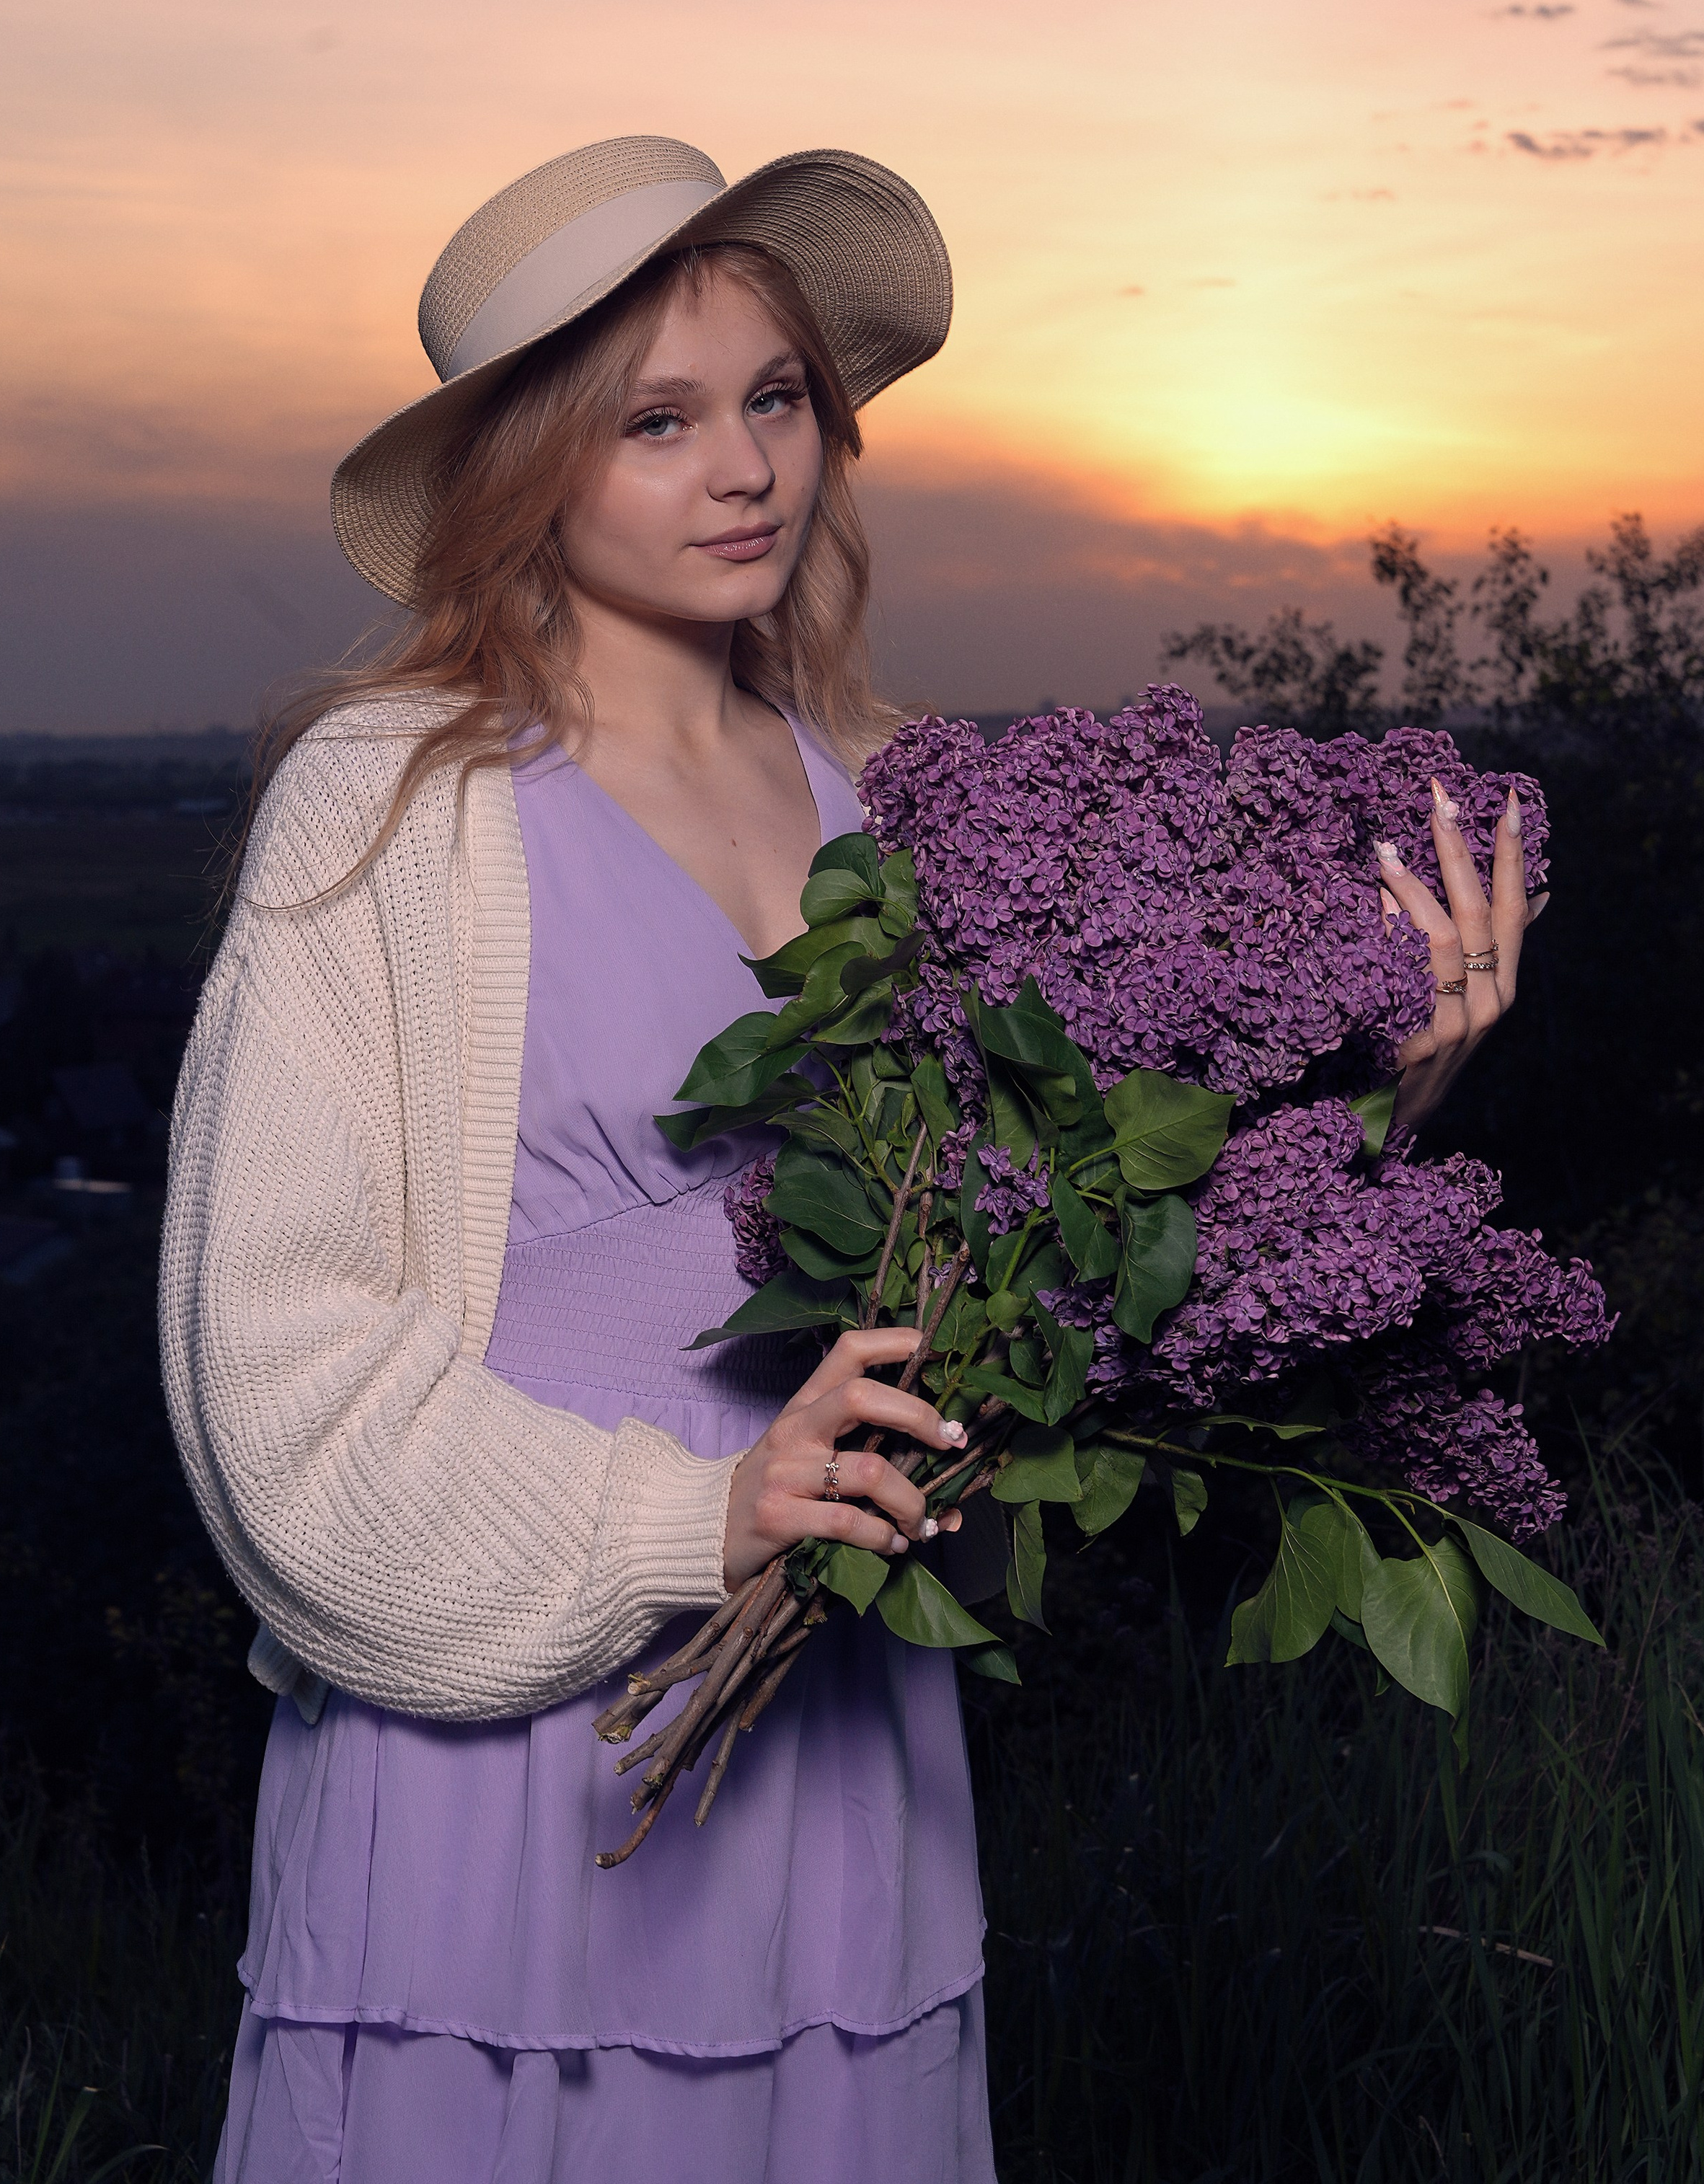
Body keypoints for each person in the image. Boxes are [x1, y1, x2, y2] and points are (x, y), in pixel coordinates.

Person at [161, 134, 1537, 2184]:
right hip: (512, 1749)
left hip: (824, 1729)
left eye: (779, 399)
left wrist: (1378, 1097)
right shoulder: (395, 801)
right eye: (659, 419)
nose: (748, 469)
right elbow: (267, 1372)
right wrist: (689, 1516)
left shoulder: (888, 798)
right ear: (531, 465)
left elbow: (1079, 1255)